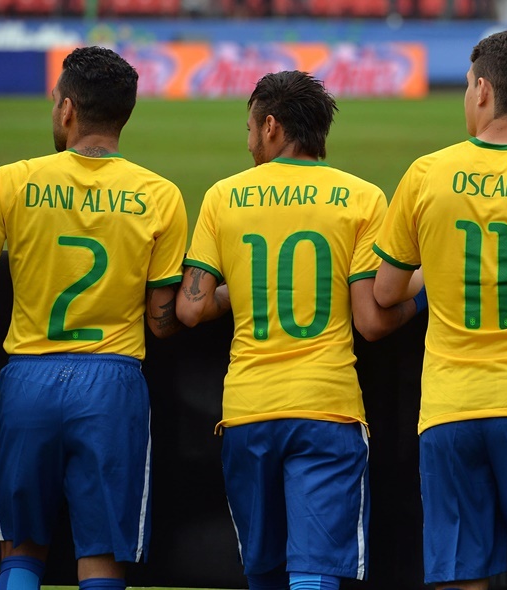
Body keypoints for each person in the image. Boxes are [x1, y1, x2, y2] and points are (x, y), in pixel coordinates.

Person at [175, 70, 422, 590]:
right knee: (316, 570)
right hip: (326, 407)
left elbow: (191, 310)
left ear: (270, 126)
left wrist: (241, 288)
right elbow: (371, 321)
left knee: (263, 571)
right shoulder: (361, 197)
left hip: (247, 410)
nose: (248, 141)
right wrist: (422, 295)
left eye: (249, 129)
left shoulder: (223, 196)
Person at [372, 30, 507, 590]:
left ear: (484, 91)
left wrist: (437, 268)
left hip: (449, 408)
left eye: (468, 86)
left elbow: (386, 293)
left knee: (463, 577)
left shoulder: (426, 172)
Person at [0, 46, 188, 590]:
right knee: (102, 550)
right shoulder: (161, 195)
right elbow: (162, 321)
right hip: (111, 382)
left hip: (28, 377)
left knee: (20, 544)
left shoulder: (11, 182)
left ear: (67, 109)